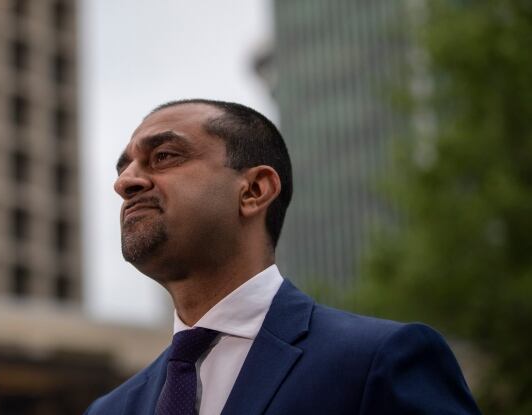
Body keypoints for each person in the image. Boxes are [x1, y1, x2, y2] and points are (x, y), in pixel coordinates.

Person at [85, 99, 480, 415]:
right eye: (125, 168)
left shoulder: (379, 361)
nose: (125, 182)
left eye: (165, 156)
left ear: (255, 189)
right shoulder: (110, 409)